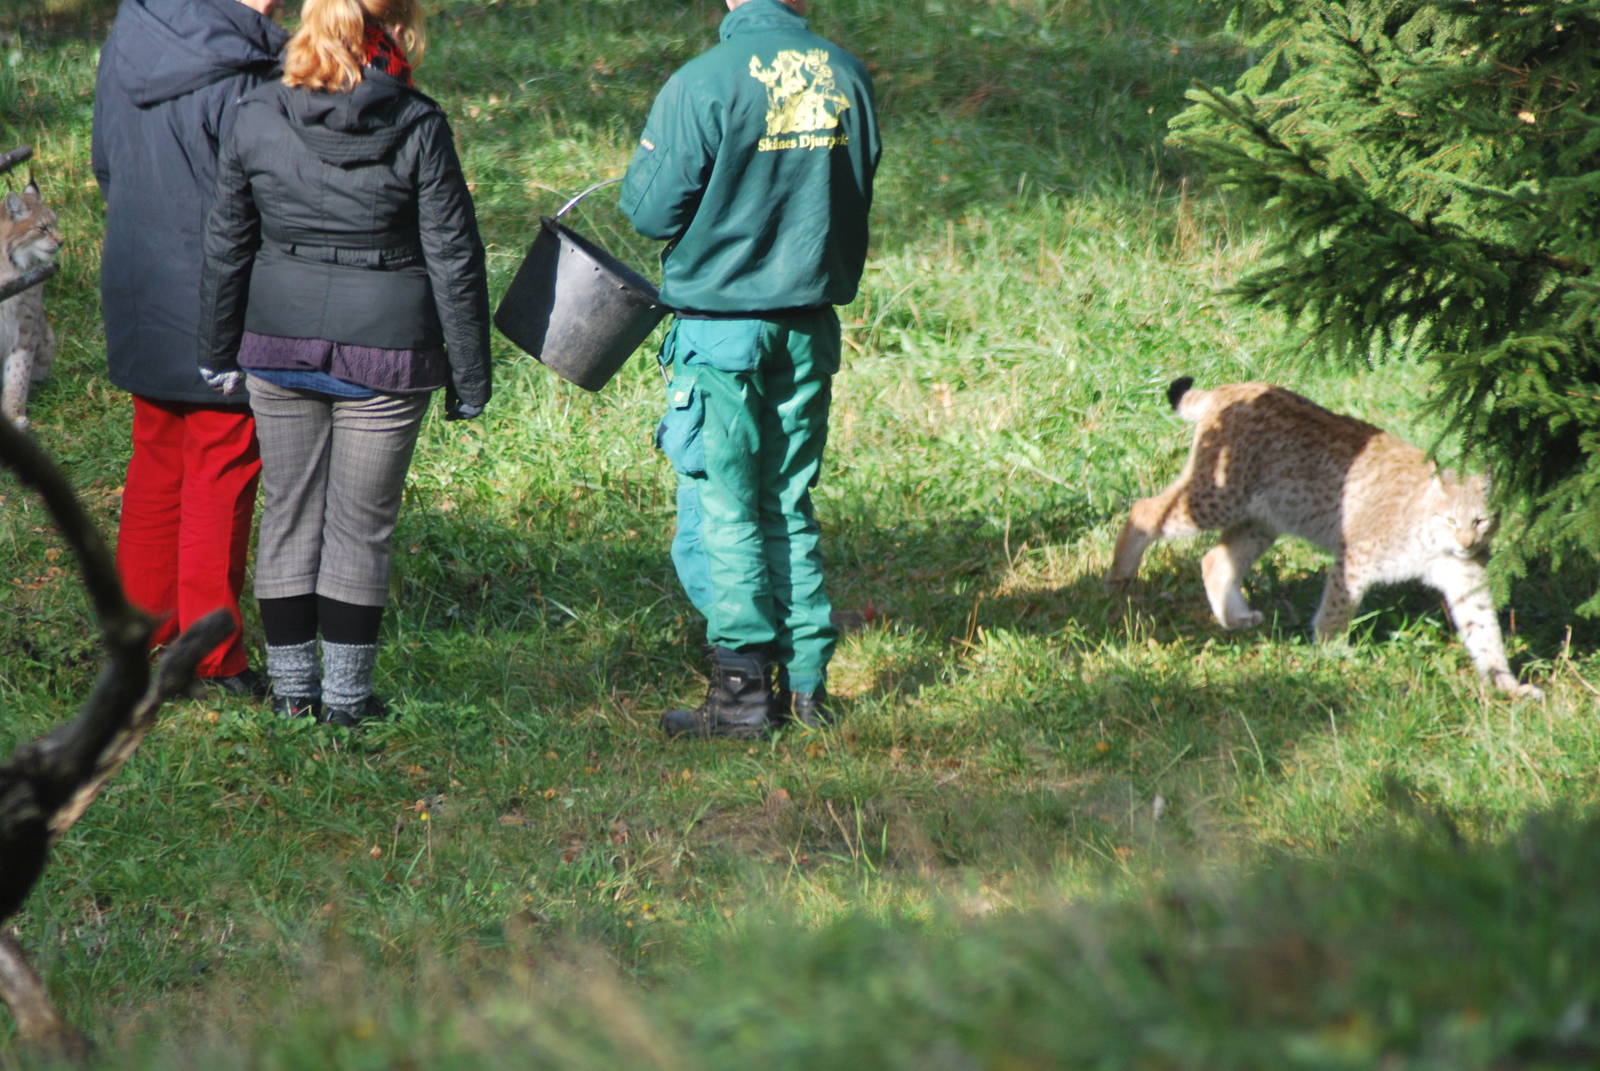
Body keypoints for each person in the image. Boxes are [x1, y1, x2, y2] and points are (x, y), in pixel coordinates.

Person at [196, 0, 490, 727]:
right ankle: (347, 703)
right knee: (362, 526)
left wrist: (216, 350)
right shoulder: (419, 123)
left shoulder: (256, 114)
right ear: (393, 31)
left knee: (289, 511)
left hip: (278, 344)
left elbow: (228, 243)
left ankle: (294, 693)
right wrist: (471, 375)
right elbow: (454, 257)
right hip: (388, 353)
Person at [622, 0, 881, 738]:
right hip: (808, 327)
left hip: (721, 333)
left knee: (723, 506)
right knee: (787, 500)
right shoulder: (849, 78)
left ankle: (740, 698)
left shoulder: (703, 82)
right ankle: (805, 685)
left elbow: (647, 208)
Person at [92, 0, 289, 698]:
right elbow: (263, 194)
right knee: (222, 461)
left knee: (156, 457)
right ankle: (211, 656)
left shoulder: (132, 35)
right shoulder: (248, 70)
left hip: (139, 277)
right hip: (220, 292)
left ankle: (141, 634)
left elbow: (104, 162)